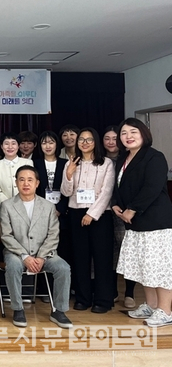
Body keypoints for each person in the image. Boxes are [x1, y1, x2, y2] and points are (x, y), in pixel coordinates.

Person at [113, 118, 172, 327]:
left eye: (133, 132)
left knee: (160, 266)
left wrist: (132, 209)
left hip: (155, 222)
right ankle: (151, 305)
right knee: (144, 266)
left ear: (143, 133)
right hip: (134, 223)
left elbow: (152, 187)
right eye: (124, 133)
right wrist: (115, 204)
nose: (128, 136)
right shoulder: (123, 158)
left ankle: (165, 311)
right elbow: (118, 186)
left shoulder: (154, 157)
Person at [0, 165, 73, 329]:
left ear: (37, 183)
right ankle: (18, 308)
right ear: (16, 183)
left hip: (44, 254)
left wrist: (41, 257)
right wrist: (25, 256)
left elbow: (53, 235)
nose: (26, 183)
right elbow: (6, 235)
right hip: (17, 253)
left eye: (30, 180)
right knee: (13, 267)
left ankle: (59, 311)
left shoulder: (48, 206)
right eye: (22, 180)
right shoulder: (7, 205)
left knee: (63, 268)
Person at [61, 127, 115, 313]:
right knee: (80, 257)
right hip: (76, 213)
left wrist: (92, 214)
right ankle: (83, 298)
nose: (84, 143)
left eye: (89, 139)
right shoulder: (71, 162)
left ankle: (103, 300)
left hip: (100, 215)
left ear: (95, 142)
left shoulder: (106, 163)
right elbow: (66, 192)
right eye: (81, 139)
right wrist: (69, 174)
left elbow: (107, 191)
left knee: (102, 258)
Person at [103, 124, 135, 308]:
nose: (111, 142)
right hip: (104, 212)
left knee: (127, 250)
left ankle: (129, 292)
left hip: (122, 213)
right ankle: (113, 291)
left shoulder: (127, 159)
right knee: (110, 252)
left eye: (114, 138)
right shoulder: (99, 159)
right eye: (107, 138)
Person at [33, 131, 70, 266]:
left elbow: (70, 187)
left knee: (64, 249)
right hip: (40, 212)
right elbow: (32, 189)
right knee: (42, 249)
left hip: (62, 213)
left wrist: (59, 209)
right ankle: (44, 280)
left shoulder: (65, 163)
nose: (47, 146)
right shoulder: (34, 164)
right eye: (44, 143)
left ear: (57, 144)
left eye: (51, 142)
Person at [0, 132, 33, 220]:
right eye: (6, 144)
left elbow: (31, 185)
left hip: (26, 207)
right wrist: (8, 206)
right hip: (4, 209)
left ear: (18, 146)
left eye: (13, 143)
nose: (10, 147)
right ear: (1, 146)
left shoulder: (28, 163)